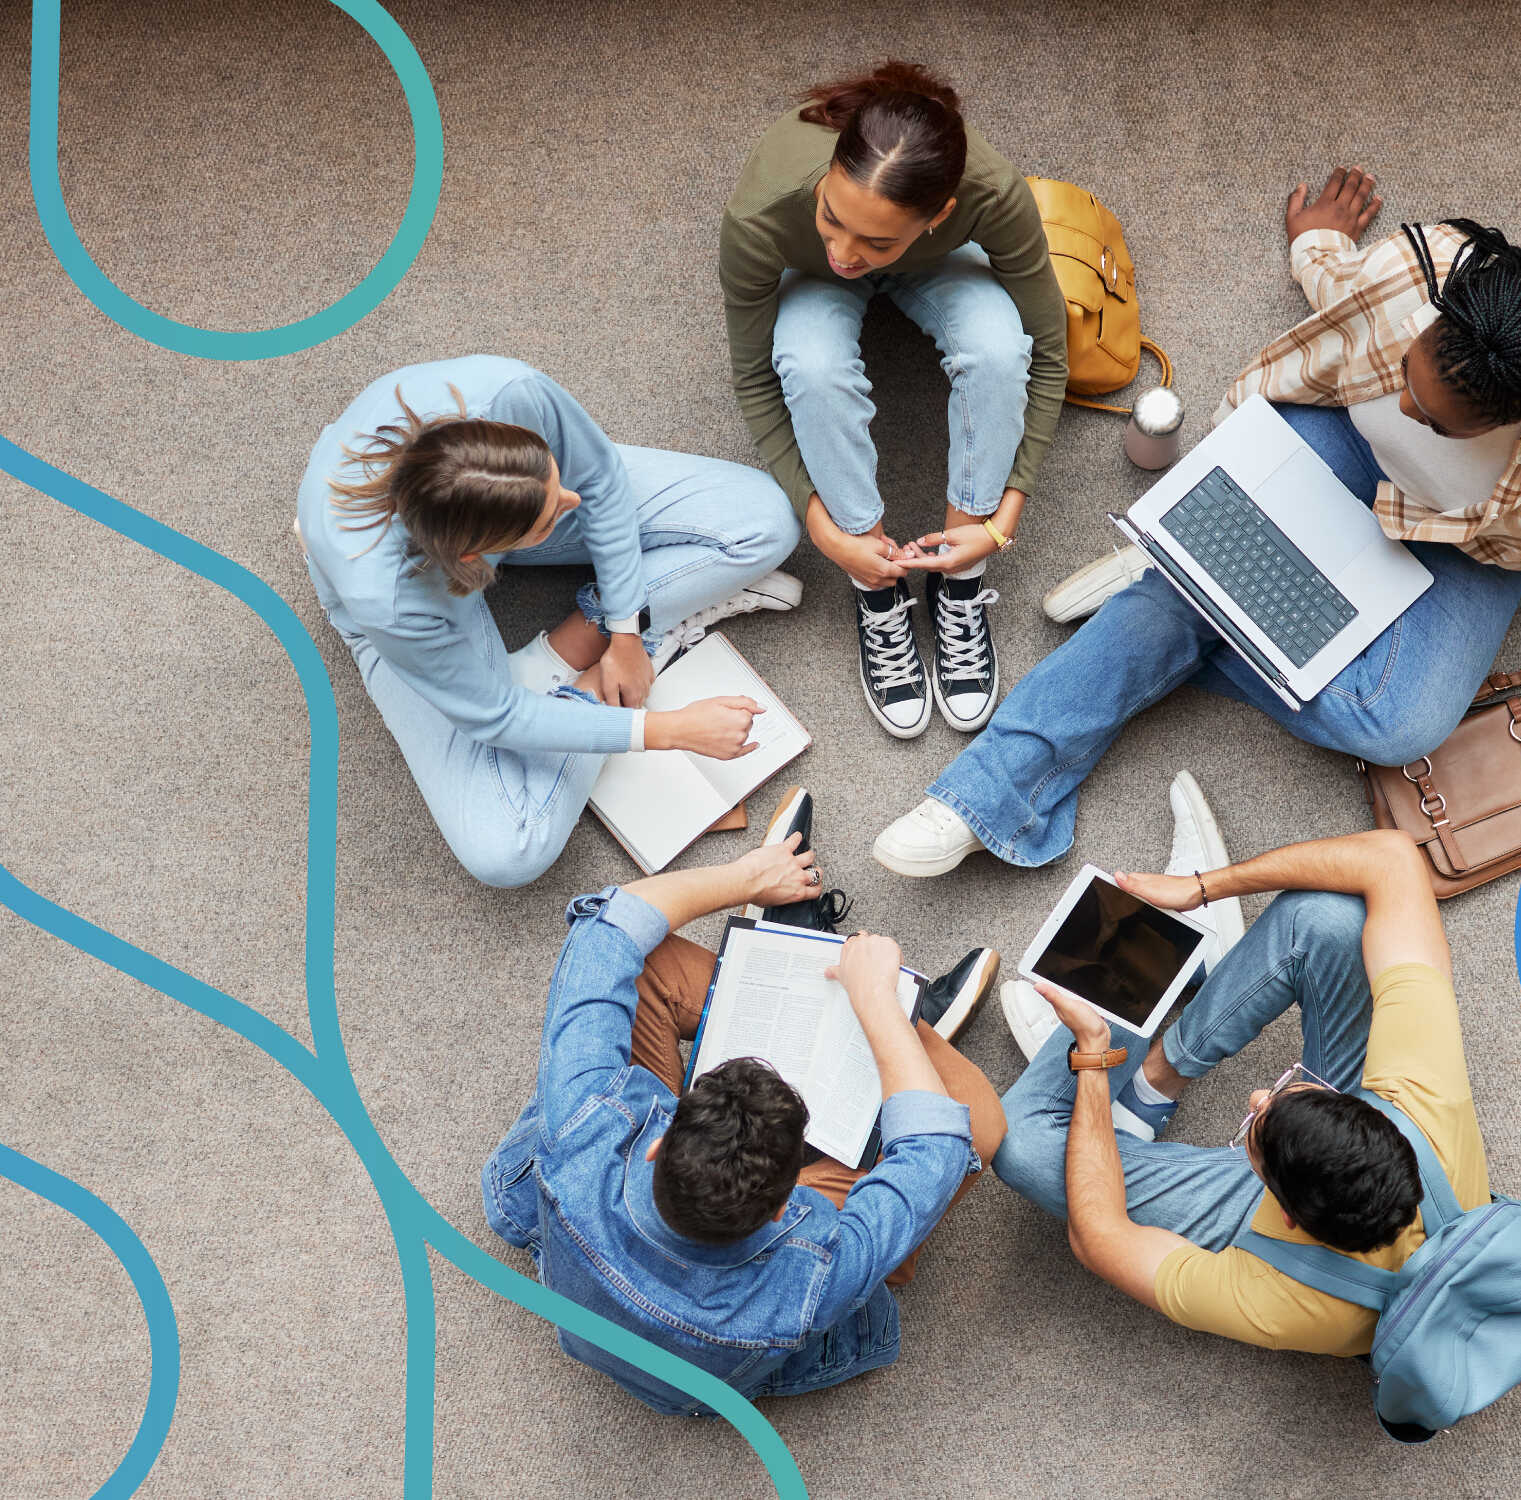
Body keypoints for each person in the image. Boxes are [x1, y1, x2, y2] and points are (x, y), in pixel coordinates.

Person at [872, 167, 1521, 876]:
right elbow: (1339, 288)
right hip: (1329, 443)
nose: (1402, 402)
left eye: (1431, 416)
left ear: (1518, 418)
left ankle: (1184, 584)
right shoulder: (1414, 273)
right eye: (1407, 374)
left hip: (1470, 540)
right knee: (1225, 609)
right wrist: (1317, 243)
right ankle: (989, 788)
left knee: (1396, 727)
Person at [481, 791, 1006, 1415]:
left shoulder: (586, 1125)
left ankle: (804, 968)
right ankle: (888, 1022)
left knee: (647, 959)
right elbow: (940, 1151)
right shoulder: (807, 1280)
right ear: (791, 1202)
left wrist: (747, 875)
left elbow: (608, 929)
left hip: (584, 1267)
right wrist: (878, 1008)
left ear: (658, 1139)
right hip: (732, 1365)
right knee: (978, 1116)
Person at [297, 354, 801, 887]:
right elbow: (496, 717)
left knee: (767, 521)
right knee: (508, 852)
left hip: (490, 521)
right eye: (549, 517)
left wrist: (626, 631)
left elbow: (599, 482)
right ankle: (594, 678)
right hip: (417, 600)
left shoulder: (510, 394)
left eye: (554, 478)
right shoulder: (391, 604)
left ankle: (582, 641)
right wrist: (664, 729)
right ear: (479, 555)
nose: (573, 501)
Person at [989, 827, 1486, 1359]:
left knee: (1020, 1142)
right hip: (1377, 1177)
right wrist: (1203, 888)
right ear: (1375, 1113)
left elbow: (1099, 1238)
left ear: (1284, 1215)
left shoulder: (1282, 1299)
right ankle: (1151, 1085)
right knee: (1327, 919)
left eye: (1256, 1127)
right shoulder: (1424, 1091)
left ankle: (1127, 1009)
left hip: (1317, 1256)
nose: (1255, 1096)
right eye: (1289, 1092)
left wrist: (1092, 1052)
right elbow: (1391, 856)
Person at [720, 59, 1068, 738]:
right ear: (823, 186)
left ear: (938, 213)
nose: (847, 251)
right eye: (832, 217)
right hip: (805, 279)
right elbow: (755, 377)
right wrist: (826, 530)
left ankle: (958, 564)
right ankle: (872, 577)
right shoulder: (763, 216)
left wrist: (998, 524)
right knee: (809, 366)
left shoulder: (990, 195)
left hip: (937, 262)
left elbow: (1049, 351)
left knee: (1001, 351)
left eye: (873, 240)